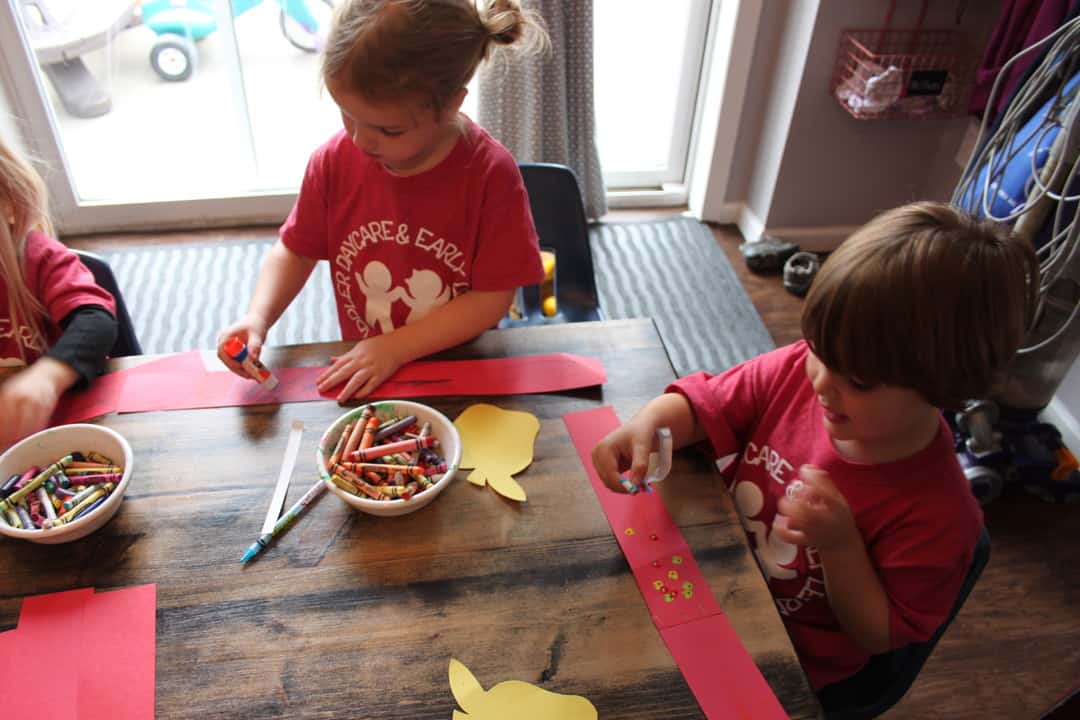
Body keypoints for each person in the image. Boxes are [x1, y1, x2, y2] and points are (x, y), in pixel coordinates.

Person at [591, 202, 1039, 703]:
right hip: (715, 577)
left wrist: (840, 544)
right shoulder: (803, 371)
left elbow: (878, 635)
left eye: (860, 382)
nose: (821, 383)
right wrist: (648, 422)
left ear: (946, 386)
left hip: (792, 660)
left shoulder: (940, 514)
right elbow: (709, 404)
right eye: (818, 351)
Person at [217, 0, 548, 402]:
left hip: (460, 367)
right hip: (368, 367)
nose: (360, 140)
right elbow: (295, 251)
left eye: (388, 130)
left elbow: (492, 298)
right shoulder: (333, 161)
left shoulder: (490, 175)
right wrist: (258, 316)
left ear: (450, 106)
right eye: (347, 115)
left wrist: (396, 347)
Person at [0, 138, 118, 449]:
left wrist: (48, 377)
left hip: (68, 430)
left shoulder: (37, 259)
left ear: (10, 204)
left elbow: (95, 320)